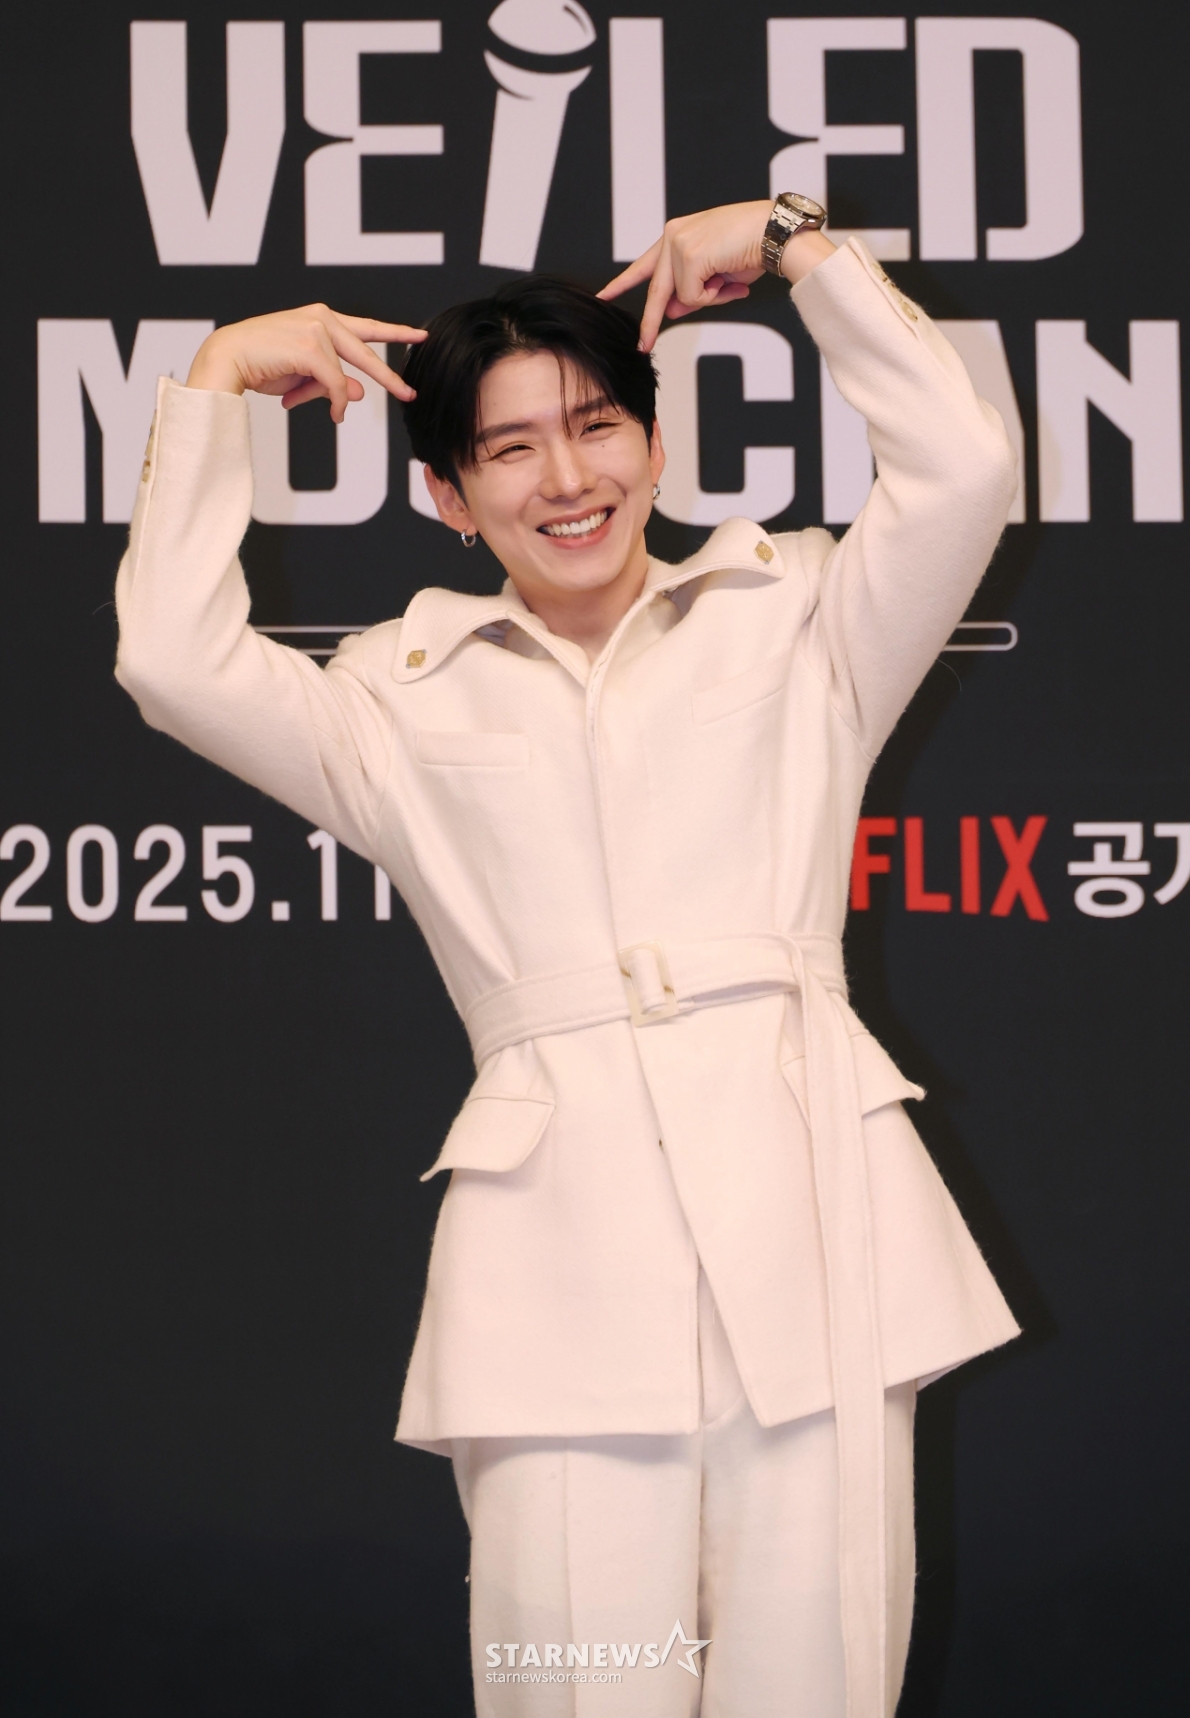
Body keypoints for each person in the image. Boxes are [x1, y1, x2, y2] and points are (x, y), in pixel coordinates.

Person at [114, 196, 1020, 1717]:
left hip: (819, 1235)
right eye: (512, 448)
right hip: (555, 1283)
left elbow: (967, 469)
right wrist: (215, 382)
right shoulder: (392, 697)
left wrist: (796, 248)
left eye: (597, 427)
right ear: (451, 496)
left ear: (655, 446)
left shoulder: (799, 614)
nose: (568, 478)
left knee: (819, 1688)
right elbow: (170, 659)